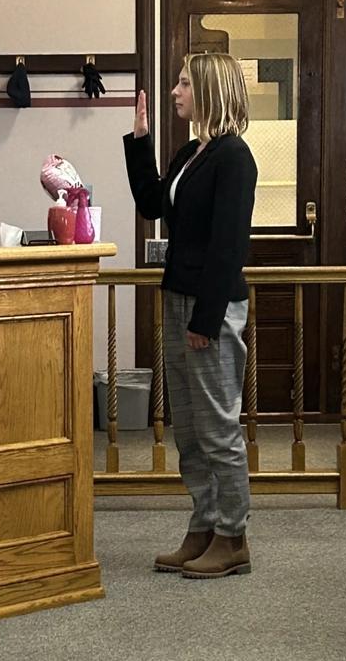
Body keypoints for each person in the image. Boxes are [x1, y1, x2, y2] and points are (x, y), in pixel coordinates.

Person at [123, 53, 258, 579]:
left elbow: (229, 247)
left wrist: (204, 321)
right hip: (179, 299)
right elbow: (153, 204)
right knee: (188, 428)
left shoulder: (235, 158)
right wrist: (139, 141)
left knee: (218, 428)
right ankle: (202, 526)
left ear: (208, 90)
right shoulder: (189, 154)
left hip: (212, 307)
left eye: (183, 83)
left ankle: (233, 536)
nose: (174, 91)